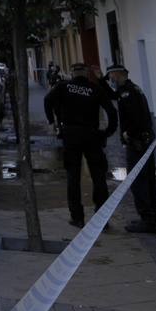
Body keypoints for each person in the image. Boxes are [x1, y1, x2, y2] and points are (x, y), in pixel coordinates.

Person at [44, 62, 119, 229]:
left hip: (70, 135)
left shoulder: (63, 87)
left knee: (73, 177)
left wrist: (52, 123)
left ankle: (77, 217)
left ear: (72, 73)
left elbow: (47, 100)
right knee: (98, 177)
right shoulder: (94, 89)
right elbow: (112, 112)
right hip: (92, 135)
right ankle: (102, 218)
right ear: (86, 73)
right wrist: (106, 132)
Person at [110, 64, 156, 233]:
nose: (111, 79)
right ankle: (154, 217)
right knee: (148, 179)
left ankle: (147, 219)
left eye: (112, 75)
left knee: (138, 181)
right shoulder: (133, 89)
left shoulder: (127, 93)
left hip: (137, 142)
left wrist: (128, 133)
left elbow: (135, 117)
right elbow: (112, 95)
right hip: (145, 140)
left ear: (118, 74)